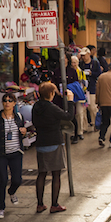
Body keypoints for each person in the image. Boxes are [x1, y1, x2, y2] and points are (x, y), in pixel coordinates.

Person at [32, 82, 75, 213]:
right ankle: (54, 204)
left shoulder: (36, 106)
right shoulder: (52, 108)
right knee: (56, 174)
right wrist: (71, 101)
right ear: (50, 94)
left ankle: (40, 204)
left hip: (40, 143)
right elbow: (68, 116)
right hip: (54, 143)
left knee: (42, 174)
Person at [0, 93, 27, 219]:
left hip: (16, 153)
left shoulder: (18, 117)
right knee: (3, 180)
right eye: (5, 100)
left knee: (17, 180)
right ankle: (1, 208)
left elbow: (23, 133)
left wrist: (24, 132)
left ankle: (12, 192)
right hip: (1, 153)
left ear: (14, 103)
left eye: (10, 100)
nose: (7, 103)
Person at [80, 47, 102, 131]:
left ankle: (95, 124)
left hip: (92, 87)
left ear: (89, 54)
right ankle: (84, 127)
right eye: (82, 56)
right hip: (83, 89)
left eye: (84, 55)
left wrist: (91, 73)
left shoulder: (95, 63)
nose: (83, 57)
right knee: (84, 108)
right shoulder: (80, 64)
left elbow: (99, 74)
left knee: (93, 107)